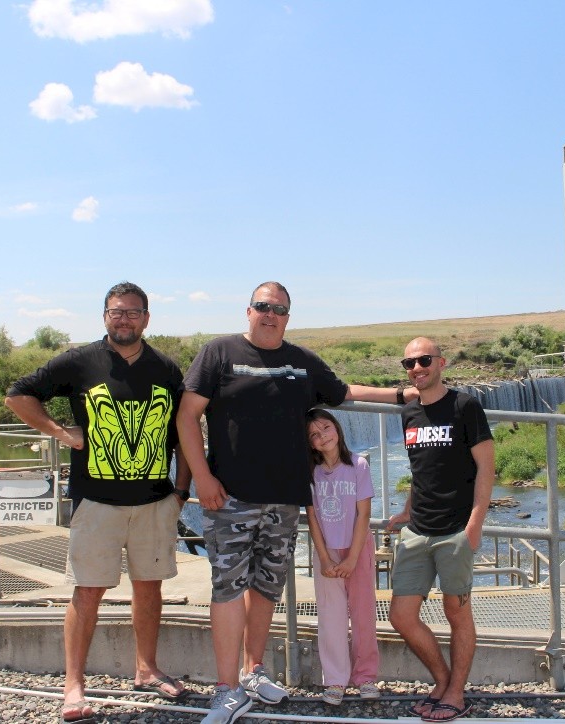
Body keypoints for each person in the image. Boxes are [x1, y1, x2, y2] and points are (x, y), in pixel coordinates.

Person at [175, 281, 414, 724]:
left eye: (280, 309)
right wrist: (202, 478)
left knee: (266, 586)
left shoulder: (301, 361)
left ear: (288, 316)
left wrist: (401, 395)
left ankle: (253, 671)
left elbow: (345, 392)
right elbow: (187, 415)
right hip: (230, 496)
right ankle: (226, 689)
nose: (270, 314)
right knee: (228, 588)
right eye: (263, 306)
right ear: (248, 311)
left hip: (285, 500)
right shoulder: (219, 352)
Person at [5, 282, 191, 724]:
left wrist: (181, 491)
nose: (123, 319)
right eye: (115, 312)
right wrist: (62, 434)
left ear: (147, 318)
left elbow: (184, 432)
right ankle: (74, 684)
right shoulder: (78, 361)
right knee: (87, 590)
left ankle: (146, 669)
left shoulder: (166, 368)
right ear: (104, 316)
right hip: (96, 502)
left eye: (132, 312)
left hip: (153, 502)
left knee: (150, 588)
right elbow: (18, 395)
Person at [387, 337, 495, 723]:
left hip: (455, 530)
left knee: (457, 611)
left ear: (441, 362)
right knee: (401, 614)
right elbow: (421, 470)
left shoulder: (465, 406)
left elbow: (486, 467)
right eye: (409, 363)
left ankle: (455, 694)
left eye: (424, 360)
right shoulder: (409, 414)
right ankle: (444, 680)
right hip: (418, 530)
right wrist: (405, 510)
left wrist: (474, 525)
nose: (417, 368)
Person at [305, 408, 381, 706]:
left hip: (357, 548)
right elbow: (312, 516)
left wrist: (352, 558)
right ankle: (335, 679)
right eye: (314, 434)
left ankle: (365, 677)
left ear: (337, 428)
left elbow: (364, 514)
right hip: (327, 550)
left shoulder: (359, 465)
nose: (322, 435)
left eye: (325, 427)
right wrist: (324, 558)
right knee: (331, 616)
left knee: (363, 614)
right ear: (310, 443)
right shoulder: (310, 472)